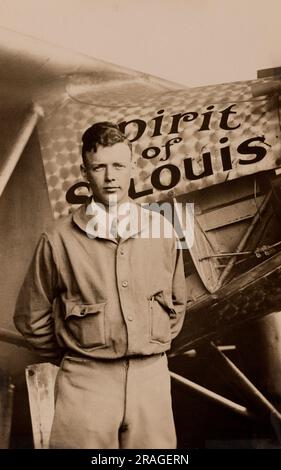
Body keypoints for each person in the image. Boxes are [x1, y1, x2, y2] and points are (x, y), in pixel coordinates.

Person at [14, 122, 187, 449]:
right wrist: (77, 353)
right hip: (86, 381)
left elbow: (177, 303)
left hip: (151, 379)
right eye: (99, 167)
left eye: (119, 166)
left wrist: (149, 345)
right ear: (84, 171)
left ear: (133, 168)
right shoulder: (58, 239)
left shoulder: (162, 230)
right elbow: (30, 317)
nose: (110, 177)